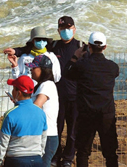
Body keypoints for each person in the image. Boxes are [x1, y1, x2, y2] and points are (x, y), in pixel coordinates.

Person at [65, 32, 119, 167]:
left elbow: (67, 73)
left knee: (83, 151)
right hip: (106, 114)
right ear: (105, 47)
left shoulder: (82, 65)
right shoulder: (112, 67)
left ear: (88, 46)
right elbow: (115, 73)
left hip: (86, 114)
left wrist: (76, 56)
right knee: (110, 152)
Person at [48, 16, 87, 167]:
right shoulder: (53, 46)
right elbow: (32, 48)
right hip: (56, 97)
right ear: (58, 31)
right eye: (62, 29)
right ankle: (56, 156)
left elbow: (89, 69)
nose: (66, 32)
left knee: (72, 130)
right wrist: (17, 51)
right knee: (56, 128)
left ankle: (69, 158)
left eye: (68, 29)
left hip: (75, 97)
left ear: (74, 29)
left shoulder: (81, 46)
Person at [0, 75, 48, 167]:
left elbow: (3, 143)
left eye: (13, 89)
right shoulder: (41, 113)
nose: (12, 91)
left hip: (15, 160)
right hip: (36, 160)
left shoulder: (10, 115)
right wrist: (39, 155)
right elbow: (43, 140)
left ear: (18, 93)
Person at [27, 54, 60, 167]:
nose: (31, 69)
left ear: (43, 69)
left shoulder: (47, 85)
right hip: (42, 135)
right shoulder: (41, 86)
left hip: (48, 137)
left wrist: (21, 110)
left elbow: (36, 106)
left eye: (34, 67)